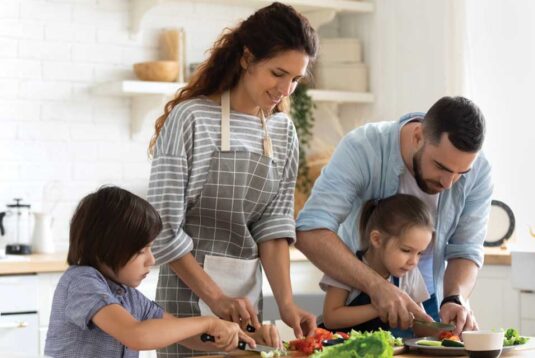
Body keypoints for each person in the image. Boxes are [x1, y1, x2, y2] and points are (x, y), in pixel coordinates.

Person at [147, 2, 319, 356]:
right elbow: (164, 227)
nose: (285, 90)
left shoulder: (283, 131)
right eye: (277, 73)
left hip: (246, 308)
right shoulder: (191, 118)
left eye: (296, 79)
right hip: (187, 303)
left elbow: (272, 225)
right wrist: (216, 297)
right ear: (246, 58)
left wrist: (285, 305)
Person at [296, 96, 493, 336]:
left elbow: (466, 249)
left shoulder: (480, 171)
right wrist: (377, 287)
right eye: (441, 167)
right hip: (359, 287)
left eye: (461, 173)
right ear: (418, 135)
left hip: (429, 299)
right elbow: (310, 230)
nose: (448, 182)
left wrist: (455, 298)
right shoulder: (363, 148)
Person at [44, 186, 281, 358]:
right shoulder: (81, 282)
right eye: (141, 251)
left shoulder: (128, 296)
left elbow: (184, 335)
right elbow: (137, 335)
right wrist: (207, 323)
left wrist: (246, 339)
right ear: (106, 247)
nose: (152, 260)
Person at [320, 194, 433, 337]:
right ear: (377, 239)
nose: (413, 262)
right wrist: (381, 306)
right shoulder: (345, 267)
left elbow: (420, 323)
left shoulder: (410, 273)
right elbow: (331, 318)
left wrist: (441, 329)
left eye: (420, 253)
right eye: (406, 250)